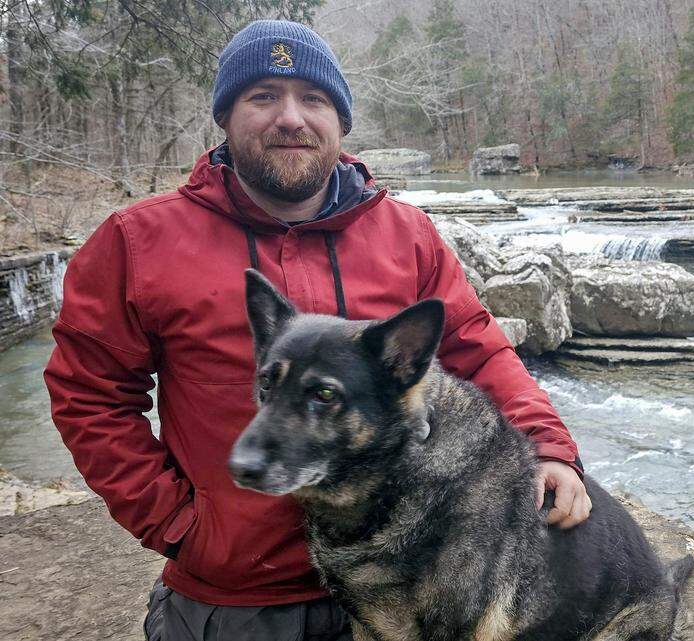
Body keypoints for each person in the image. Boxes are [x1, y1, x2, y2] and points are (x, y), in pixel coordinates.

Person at [42, 19, 591, 640]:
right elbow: (88, 395)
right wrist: (180, 525)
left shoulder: (406, 235)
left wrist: (549, 447)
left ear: (340, 120)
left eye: (313, 98)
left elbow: (479, 352)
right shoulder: (138, 242)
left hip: (406, 580)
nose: (291, 118)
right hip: (242, 601)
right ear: (225, 117)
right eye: (263, 96)